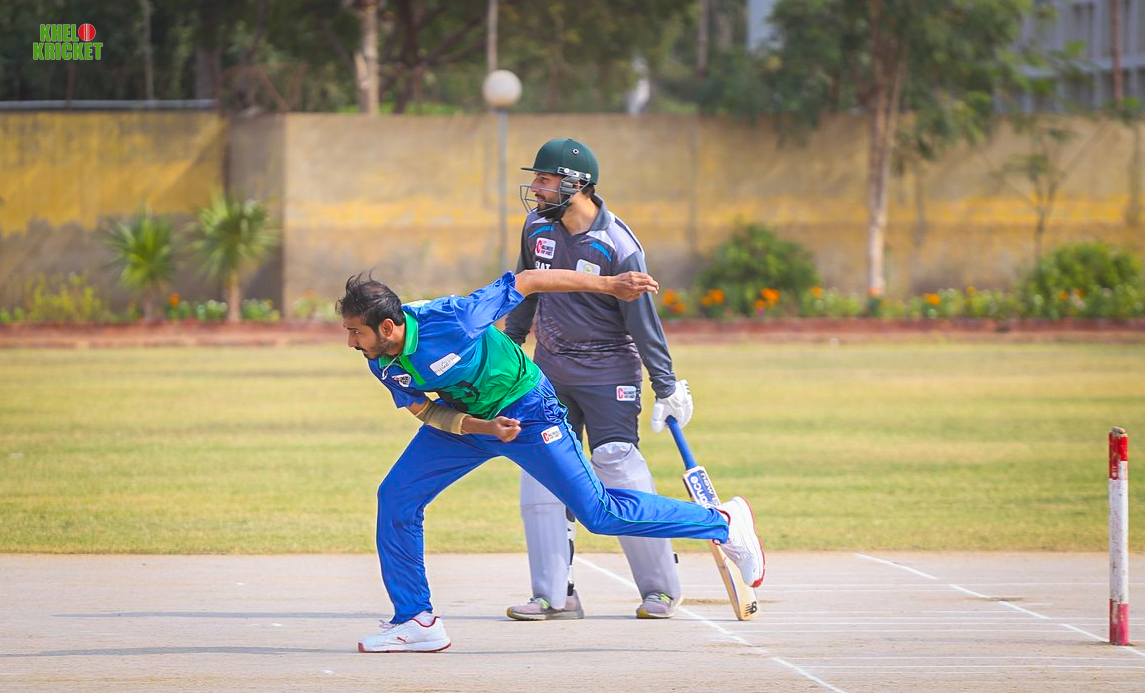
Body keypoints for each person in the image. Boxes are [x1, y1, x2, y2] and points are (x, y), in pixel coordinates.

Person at [341, 267, 765, 653]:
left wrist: (610, 285)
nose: (350, 342)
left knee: (599, 513)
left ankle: (723, 522)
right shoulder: (381, 359)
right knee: (397, 496)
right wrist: (483, 427)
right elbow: (425, 410)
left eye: (356, 332)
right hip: (472, 423)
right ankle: (416, 620)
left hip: (528, 412)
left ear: (387, 326)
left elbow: (528, 281)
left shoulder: (454, 318)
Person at [504, 137, 693, 621]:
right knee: (542, 471)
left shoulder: (619, 245)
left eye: (544, 179)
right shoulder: (535, 228)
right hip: (549, 371)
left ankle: (660, 589)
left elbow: (644, 322)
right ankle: (554, 594)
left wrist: (666, 384)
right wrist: (509, 350)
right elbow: (525, 290)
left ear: (576, 184)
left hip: (610, 373)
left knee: (616, 466)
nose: (535, 188)